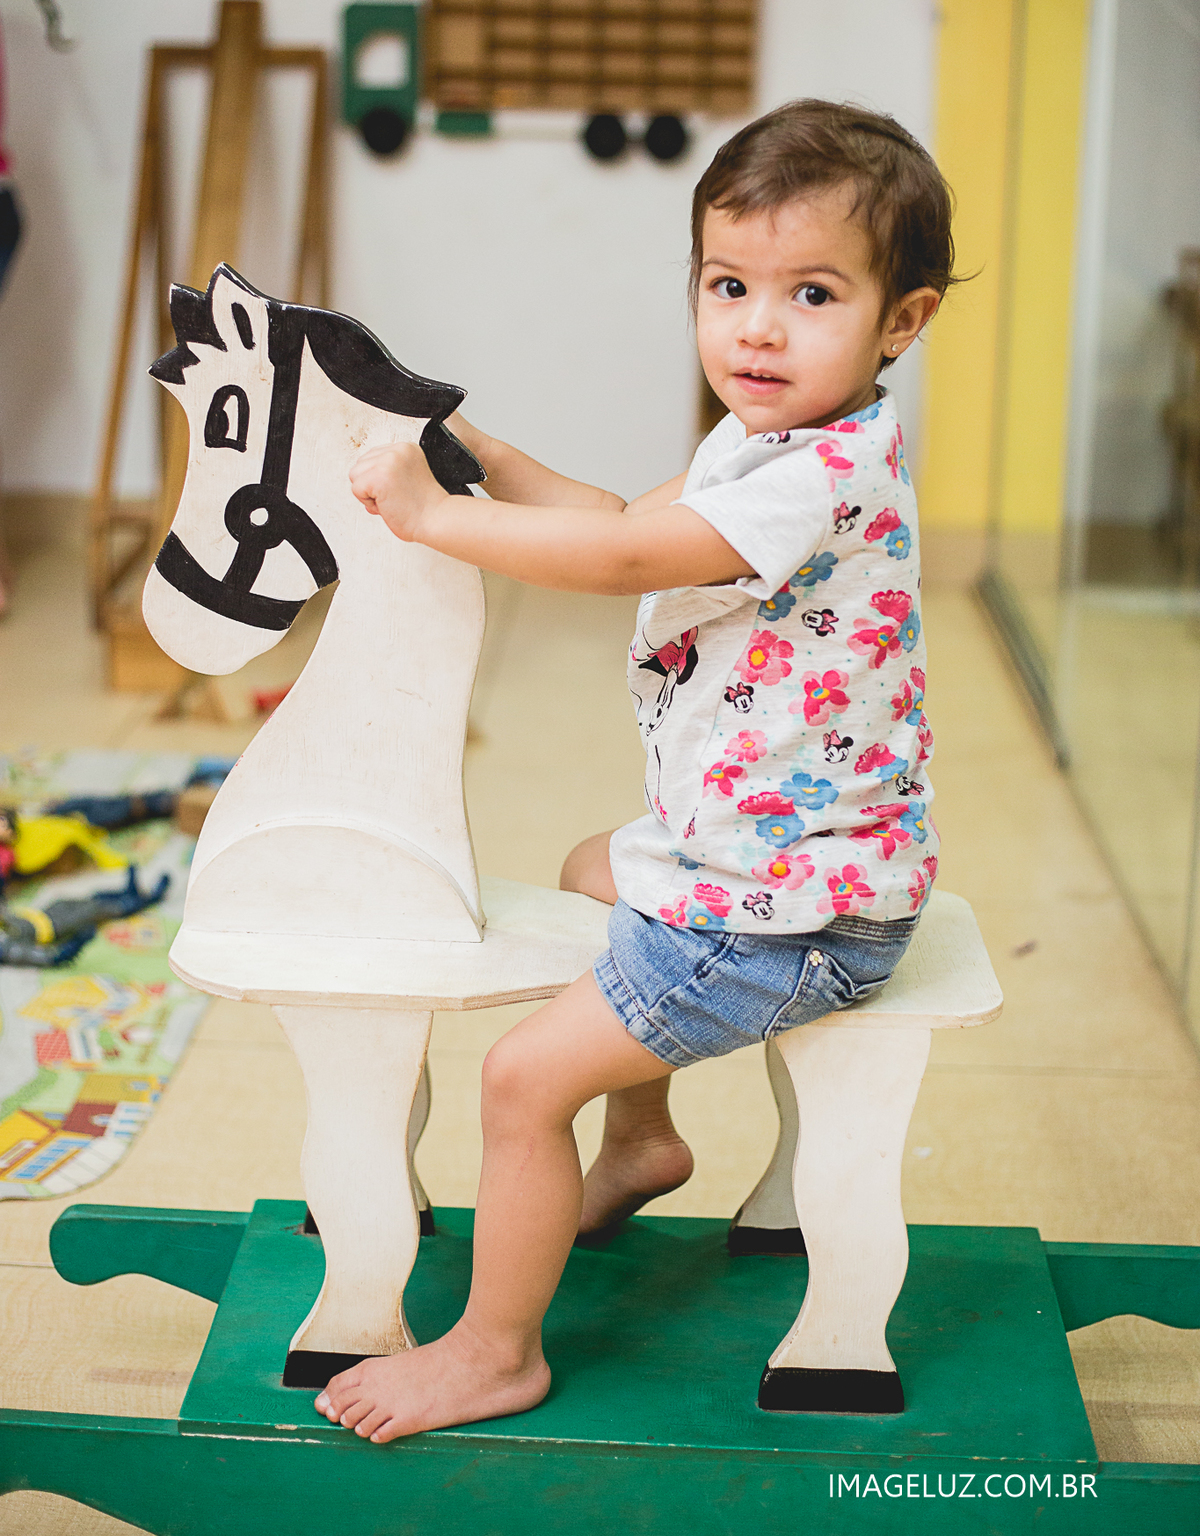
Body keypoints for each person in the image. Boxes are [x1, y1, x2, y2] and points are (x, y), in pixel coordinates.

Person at [316, 98, 956, 1443]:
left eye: (812, 294)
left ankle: (494, 1352)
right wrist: (496, 463)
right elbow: (621, 516)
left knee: (517, 1081)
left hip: (794, 916)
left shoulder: (812, 480)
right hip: (762, 857)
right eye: (729, 287)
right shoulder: (769, 439)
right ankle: (643, 1143)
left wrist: (438, 519)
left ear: (903, 321)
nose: (757, 328)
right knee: (588, 867)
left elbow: (615, 562)